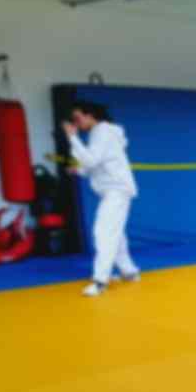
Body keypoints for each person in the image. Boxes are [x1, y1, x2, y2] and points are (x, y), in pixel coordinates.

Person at [62, 101, 140, 297]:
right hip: (113, 190)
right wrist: (78, 169)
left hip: (116, 190)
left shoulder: (102, 131)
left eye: (78, 118)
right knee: (116, 233)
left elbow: (91, 160)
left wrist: (72, 138)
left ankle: (100, 281)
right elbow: (94, 164)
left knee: (104, 231)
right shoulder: (101, 133)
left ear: (90, 116)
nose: (76, 123)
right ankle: (129, 271)